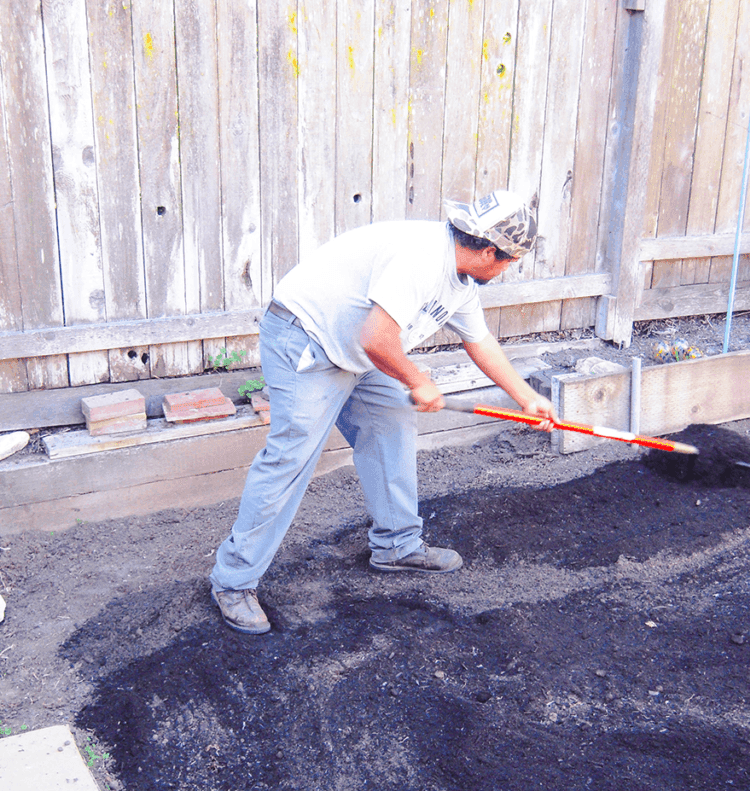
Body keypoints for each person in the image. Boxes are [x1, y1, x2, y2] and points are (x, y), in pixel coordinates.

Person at [210, 190, 557, 634]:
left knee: (391, 423)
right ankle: (233, 582)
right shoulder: (422, 259)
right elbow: (377, 338)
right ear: (489, 250)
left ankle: (397, 545)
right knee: (290, 458)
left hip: (360, 348)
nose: (510, 269)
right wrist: (417, 380)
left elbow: (479, 341)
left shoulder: (461, 278)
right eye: (510, 260)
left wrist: (526, 397)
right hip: (309, 339)